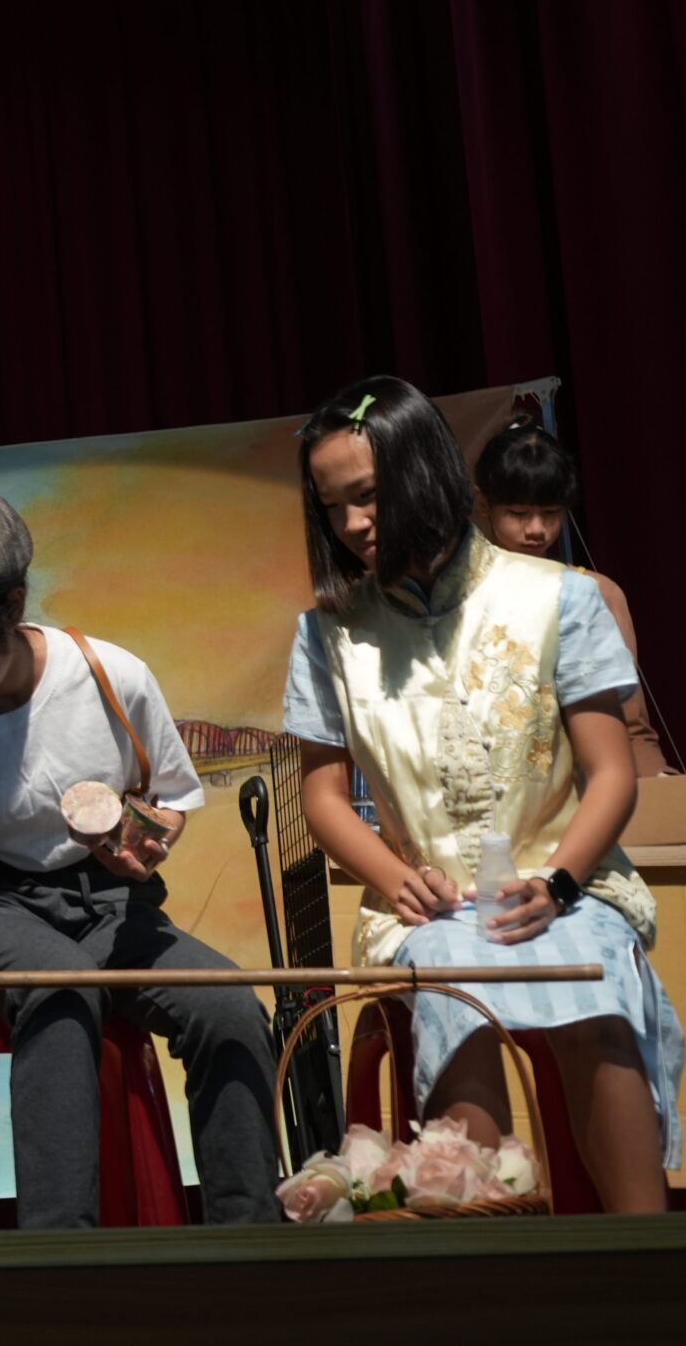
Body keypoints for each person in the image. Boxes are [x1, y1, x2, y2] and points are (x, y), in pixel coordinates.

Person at [286, 375, 681, 1212]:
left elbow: (611, 770)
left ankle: (643, 1251)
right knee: (453, 996)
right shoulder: (329, 633)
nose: (353, 524)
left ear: (425, 471)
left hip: (568, 886)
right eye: (333, 506)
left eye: (368, 496)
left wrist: (559, 881)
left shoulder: (559, 597)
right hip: (429, 905)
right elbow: (323, 796)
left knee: (597, 994)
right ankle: (492, 1245)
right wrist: (395, 877)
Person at [0, 495, 279, 1228]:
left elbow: (170, 799)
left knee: (231, 1007)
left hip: (111, 902)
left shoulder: (110, 676)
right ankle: (57, 1258)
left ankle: (248, 1246)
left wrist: (144, 842)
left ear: (12, 605)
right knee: (61, 987)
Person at [474, 420, 675, 780]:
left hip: (589, 785)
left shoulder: (596, 593)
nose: (536, 529)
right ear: (484, 505)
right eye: (519, 513)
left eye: (551, 513)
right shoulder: (461, 595)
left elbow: (629, 723)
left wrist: (656, 785)